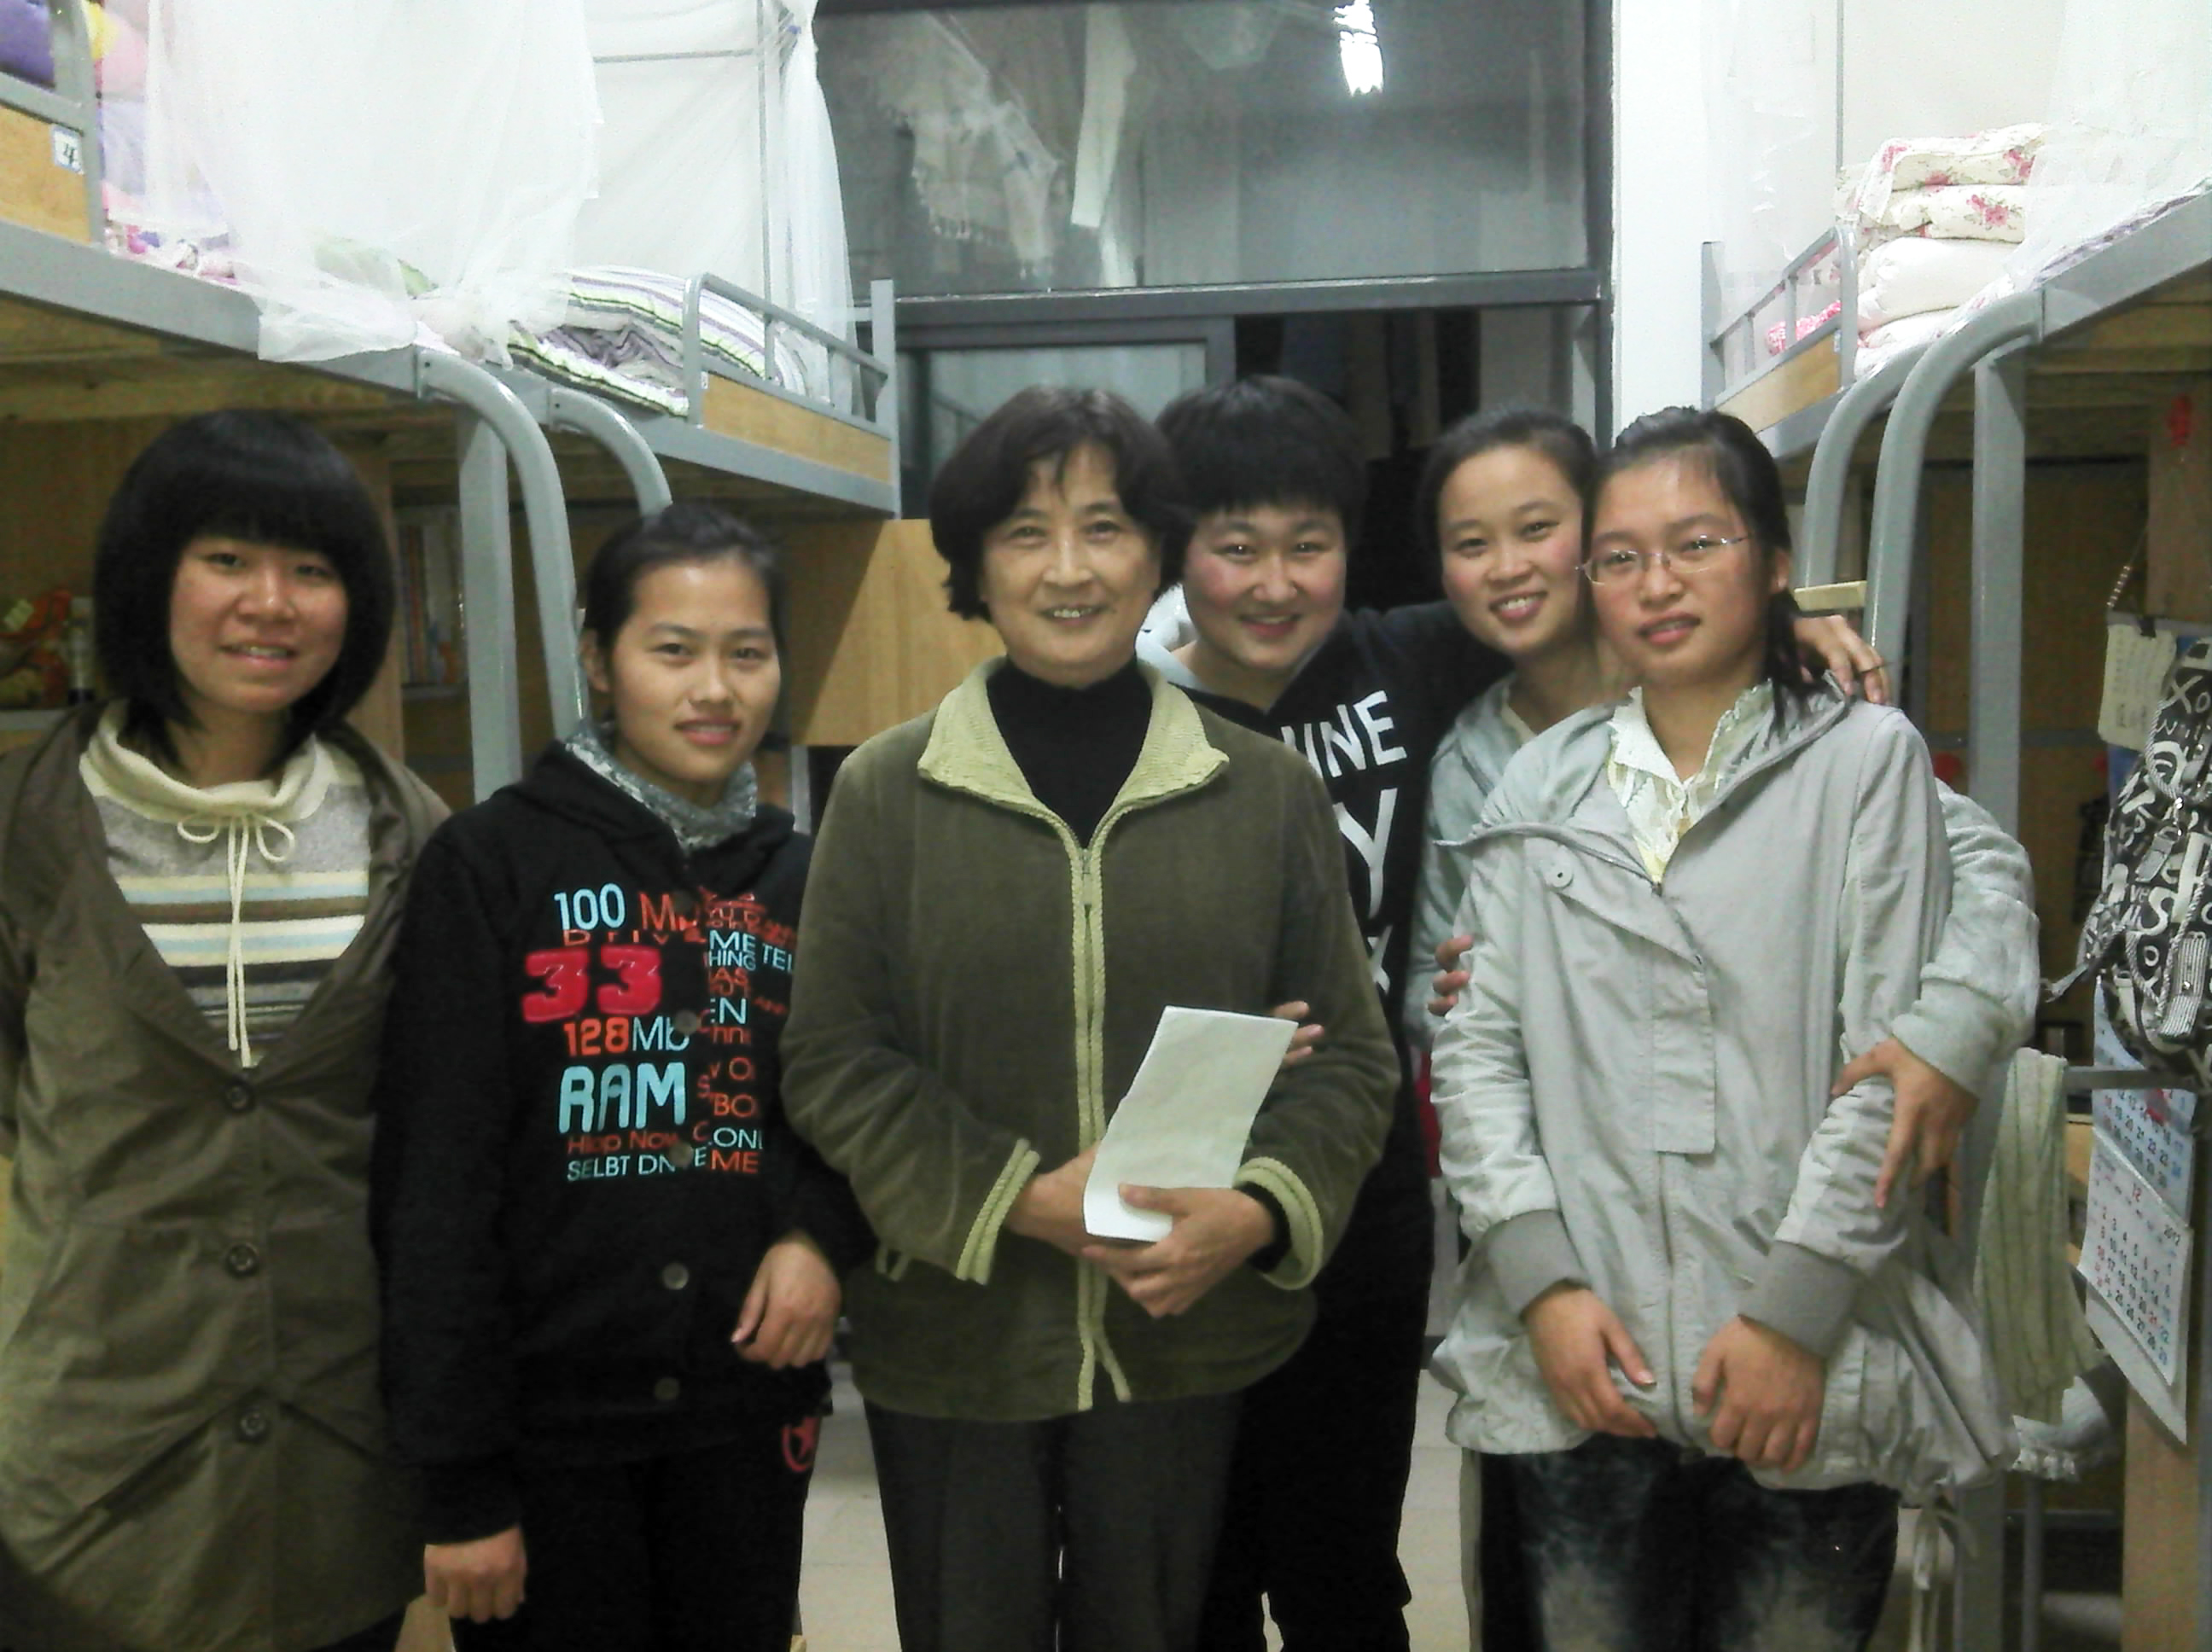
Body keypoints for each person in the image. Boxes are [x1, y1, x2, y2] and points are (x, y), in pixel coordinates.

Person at [1143, 377, 1902, 1652]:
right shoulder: (1140, 713)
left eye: (1309, 545)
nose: (1275, 583)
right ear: (1181, 555)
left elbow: (1607, 609)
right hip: (1188, 1158)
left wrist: (1790, 621)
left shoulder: (1402, 660)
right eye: (1235, 548)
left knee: (1343, 1562)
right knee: (1190, 1566)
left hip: (1361, 1174)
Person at [781, 385, 1400, 1652]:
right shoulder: (885, 792)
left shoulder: (1263, 790)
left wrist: (1259, 1209)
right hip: (954, 1337)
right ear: (974, 567)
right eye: (1026, 532)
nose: (1069, 569)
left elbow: (1351, 1060)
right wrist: (1018, 1196)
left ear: (1157, 552)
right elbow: (835, 1059)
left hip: (1183, 1330)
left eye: (1105, 527)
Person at [1406, 409, 2039, 1646]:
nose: (1657, 584)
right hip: (1587, 1347)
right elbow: (1476, 1052)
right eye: (1622, 558)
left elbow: (1892, 1046)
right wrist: (1543, 1287)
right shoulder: (1528, 778)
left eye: (1698, 545)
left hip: (1802, 1346)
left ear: (1775, 561)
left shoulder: (1865, 759)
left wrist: (1794, 1313)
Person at [370, 503, 870, 1652]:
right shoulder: (491, 863)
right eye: (673, 651)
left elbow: (855, 1104)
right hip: (547, 1432)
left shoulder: (807, 876)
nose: (715, 690)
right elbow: (435, 1180)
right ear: (599, 660)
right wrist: (460, 1483)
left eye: (747, 653)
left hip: (747, 1408)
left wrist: (821, 1235)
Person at [0, 410, 440, 1652]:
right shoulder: (29, 828)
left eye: (313, 569)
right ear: (152, 575)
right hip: (92, 1465)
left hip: (338, 1459)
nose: (271, 603)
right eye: (228, 559)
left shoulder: (409, 834)